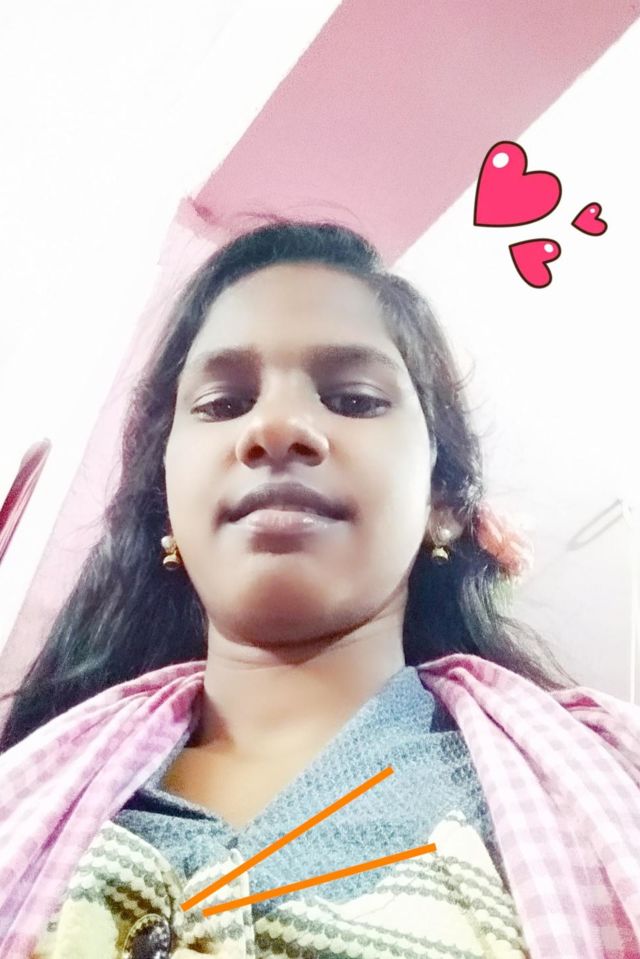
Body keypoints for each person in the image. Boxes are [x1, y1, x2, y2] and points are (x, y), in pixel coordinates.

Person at [1, 219, 639, 959]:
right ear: (166, 504)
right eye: (222, 404)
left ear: (442, 499)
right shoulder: (27, 791)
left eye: (355, 399)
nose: (277, 427)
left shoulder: (610, 780)